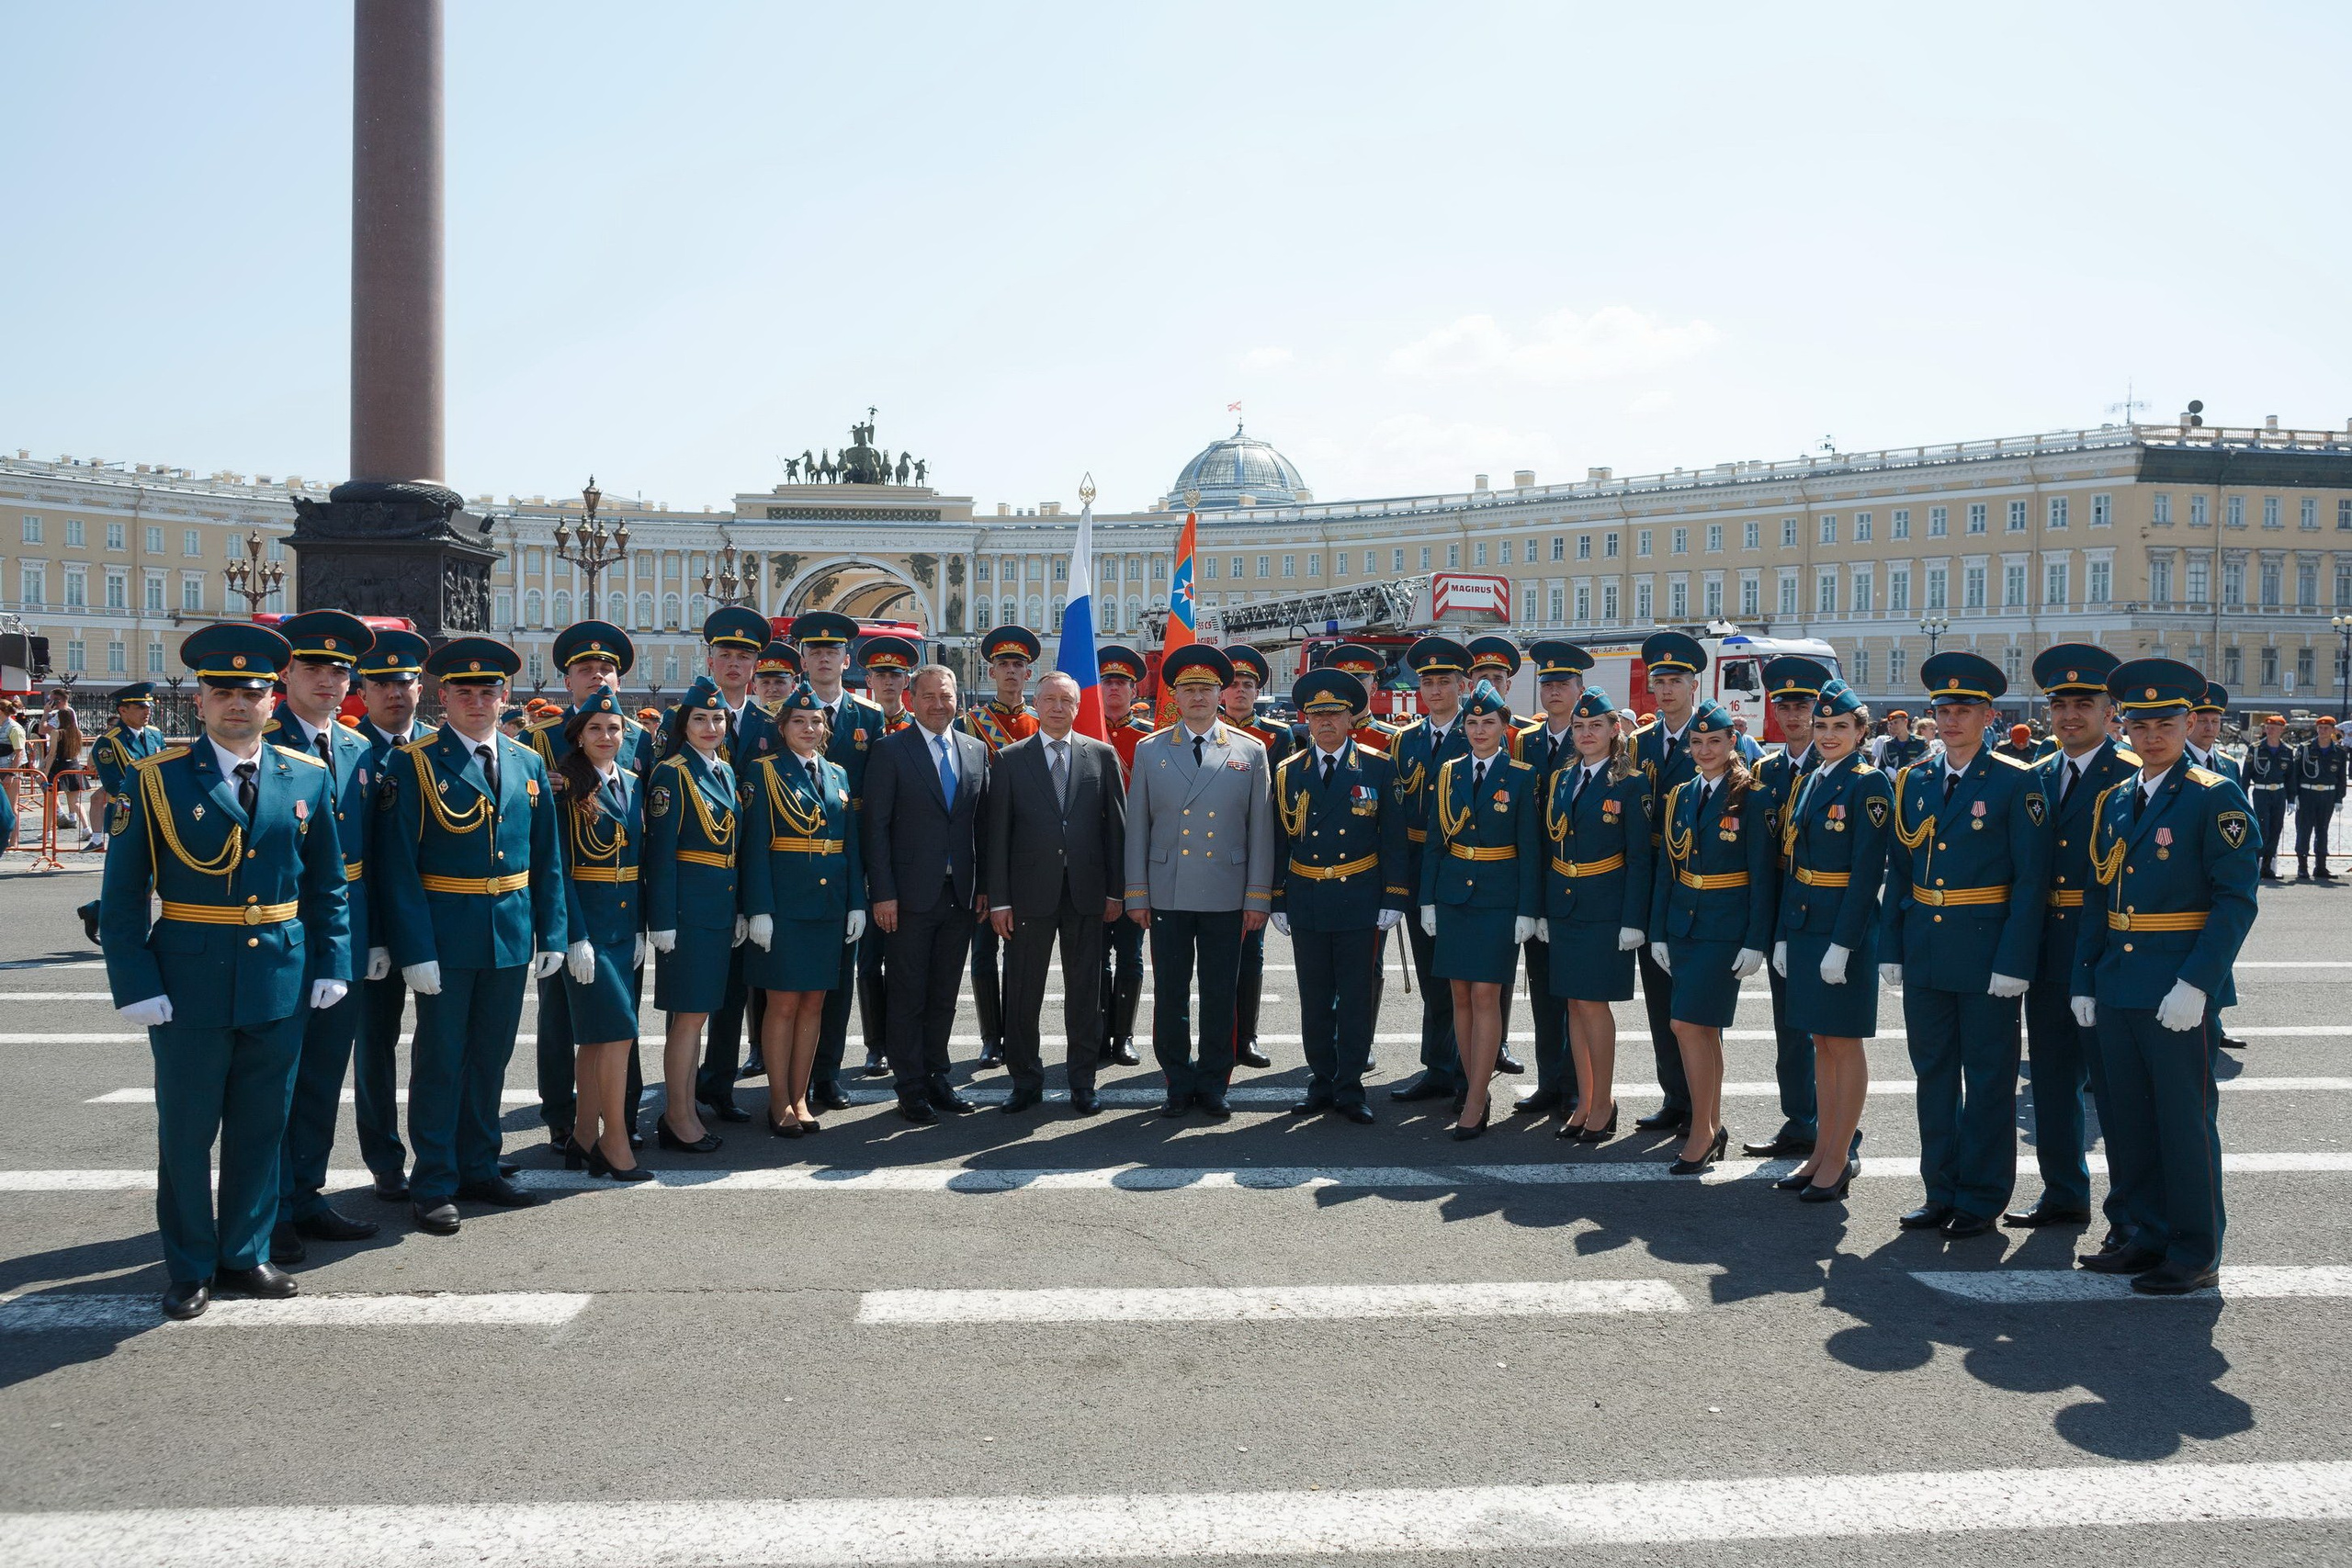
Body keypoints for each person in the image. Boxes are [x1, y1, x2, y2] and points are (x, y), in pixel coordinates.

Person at [97, 622, 350, 1320]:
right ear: (200, 701)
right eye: (223, 690)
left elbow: (327, 882)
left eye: (254, 690)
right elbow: (122, 899)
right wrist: (136, 983)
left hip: (280, 977)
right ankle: (188, 1263)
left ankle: (245, 1251)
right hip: (188, 983)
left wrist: (332, 961)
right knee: (186, 1131)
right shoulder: (157, 780)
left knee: (261, 1126)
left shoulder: (308, 775)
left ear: (273, 698)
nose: (239, 702)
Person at [2071, 658, 2260, 1294]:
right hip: (2119, 978)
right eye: (2140, 722)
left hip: (2175, 982)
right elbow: (2098, 897)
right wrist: (2083, 978)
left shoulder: (2213, 794)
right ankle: (2140, 1231)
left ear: (2189, 723)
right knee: (2125, 1118)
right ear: (2123, 725)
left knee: (2182, 1119)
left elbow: (2236, 898)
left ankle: (2195, 1247)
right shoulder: (2116, 799)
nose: (2152, 735)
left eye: (2167, 722)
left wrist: (2198, 983)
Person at [376, 637, 568, 1236]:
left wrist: (553, 930)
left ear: (505, 696)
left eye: (489, 691)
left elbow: (547, 859)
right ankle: (433, 1180)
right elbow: (397, 866)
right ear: (443, 695)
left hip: (508, 934)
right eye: (465, 691)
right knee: (440, 1061)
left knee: (490, 1057)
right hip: (446, 935)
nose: (478, 701)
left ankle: (479, 1163)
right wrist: (415, 949)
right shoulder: (415, 762)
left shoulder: (528, 762)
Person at [1881, 649, 2051, 1239]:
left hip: (1986, 954)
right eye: (1943, 709)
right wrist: (1892, 946)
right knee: (1932, 1074)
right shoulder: (1915, 778)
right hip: (1927, 946)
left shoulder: (2017, 781)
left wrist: (2014, 961)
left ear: (1989, 717)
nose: (1951, 720)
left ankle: (1981, 1196)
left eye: (1964, 710)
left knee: (1986, 1079)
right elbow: (1900, 870)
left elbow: (2032, 881)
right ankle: (1940, 1188)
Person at [257, 611, 383, 1265]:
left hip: (348, 932)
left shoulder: (360, 748)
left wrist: (378, 937)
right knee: (276, 1075)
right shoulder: (262, 736)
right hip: (280, 928)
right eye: (314, 667)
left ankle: (306, 1192)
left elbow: (377, 854)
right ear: (286, 674)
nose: (330, 679)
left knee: (324, 1074)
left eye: (339, 669)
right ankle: (270, 1207)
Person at [2013, 643, 2140, 1236]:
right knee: (2053, 1080)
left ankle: (2130, 1211)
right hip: (2045, 950)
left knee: (2113, 1091)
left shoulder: (2131, 777)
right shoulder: (2036, 774)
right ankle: (2064, 1191)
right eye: (2059, 705)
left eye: (2082, 704)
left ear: (2110, 711)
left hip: (2104, 952)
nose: (2068, 716)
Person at [1123, 644, 1275, 1121]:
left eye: (1207, 689)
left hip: (1227, 891)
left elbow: (1261, 831)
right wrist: (1136, 893)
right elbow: (1138, 829)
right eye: (1188, 689)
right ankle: (1176, 1080)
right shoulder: (1150, 749)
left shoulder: (1250, 751)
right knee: (1170, 991)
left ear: (1221, 694)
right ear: (1175, 695)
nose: (1199, 698)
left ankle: (1213, 1081)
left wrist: (1257, 897)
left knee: (1219, 992)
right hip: (1168, 888)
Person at [526, 621, 653, 1155]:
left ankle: (621, 1112)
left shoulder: (642, 740)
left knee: (623, 1013)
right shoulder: (539, 741)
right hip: (575, 904)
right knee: (561, 1016)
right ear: (567, 678)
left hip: (624, 905)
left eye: (606, 669)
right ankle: (563, 1116)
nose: (596, 674)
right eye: (585, 669)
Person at [1770, 679, 1892, 1201]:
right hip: (1804, 922)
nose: (1828, 734)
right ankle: (1821, 1148)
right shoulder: (1811, 780)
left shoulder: (1869, 783)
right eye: (1822, 726)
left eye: (1840, 726)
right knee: (1820, 1041)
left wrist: (1844, 943)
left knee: (1844, 1042)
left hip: (1844, 926)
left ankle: (1839, 1157)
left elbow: (1867, 872)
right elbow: (1792, 862)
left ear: (1861, 731)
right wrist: (1781, 934)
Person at [986, 670, 1125, 1114]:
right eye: (1049, 700)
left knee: (1085, 991)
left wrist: (1116, 892)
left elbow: (1116, 832)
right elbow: (998, 836)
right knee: (1023, 991)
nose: (1058, 708)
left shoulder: (1101, 755)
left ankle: (1083, 1080)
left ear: (1078, 706)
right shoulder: (1009, 758)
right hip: (1029, 895)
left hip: (1086, 892)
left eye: (1067, 700)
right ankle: (1025, 1080)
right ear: (1036, 703)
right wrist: (1000, 899)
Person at [1271, 668, 1408, 1123]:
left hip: (1359, 896)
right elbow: (1278, 840)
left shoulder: (1378, 766)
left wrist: (1394, 896)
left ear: (1352, 718)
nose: (1325, 722)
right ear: (1305, 720)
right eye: (1316, 715)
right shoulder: (1289, 772)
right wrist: (1277, 898)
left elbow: (1393, 838)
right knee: (1313, 996)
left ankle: (1350, 1086)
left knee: (1353, 996)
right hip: (1308, 894)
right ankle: (1321, 1081)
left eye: (1335, 714)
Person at [1648, 697, 1773, 1173]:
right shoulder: (1681, 795)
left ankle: (1702, 1130)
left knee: (1687, 1025)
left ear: (1732, 743)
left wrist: (1756, 938)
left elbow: (1763, 874)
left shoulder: (1753, 795)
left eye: (1713, 741)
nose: (1703, 750)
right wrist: (1660, 930)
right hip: (1684, 924)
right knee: (1701, 1030)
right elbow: (1668, 868)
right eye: (1696, 742)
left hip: (1725, 927)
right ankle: (1710, 1124)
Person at [865, 663, 991, 1122]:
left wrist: (986, 887)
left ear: (957, 698)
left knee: (943, 993)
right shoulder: (890, 751)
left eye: (947, 695)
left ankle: (939, 1076)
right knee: (907, 992)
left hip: (961, 894)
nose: (939, 704)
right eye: (930, 697)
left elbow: (984, 826)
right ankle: (910, 1085)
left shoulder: (975, 751)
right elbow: (875, 828)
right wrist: (882, 894)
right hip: (908, 897)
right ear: (913, 701)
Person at [1419, 681, 1541, 1139]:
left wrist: (1528, 909)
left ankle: (1474, 1099)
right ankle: (1474, 1088)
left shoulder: (1523, 775)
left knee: (1486, 995)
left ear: (1505, 728)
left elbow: (1530, 849)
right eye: (1472, 723)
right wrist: (1428, 898)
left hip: (1497, 898)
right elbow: (1435, 840)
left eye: (1488, 722)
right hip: (1453, 896)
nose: (1479, 730)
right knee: (1459, 997)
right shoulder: (1449, 772)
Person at [741, 682, 865, 1136]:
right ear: (783, 727)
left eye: (817, 721)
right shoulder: (762, 771)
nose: (809, 727)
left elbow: (849, 845)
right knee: (783, 1005)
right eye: (799, 721)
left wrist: (856, 903)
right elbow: (754, 845)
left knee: (814, 1002)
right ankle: (778, 1100)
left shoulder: (837, 775)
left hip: (829, 906)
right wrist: (758, 909)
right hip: (784, 907)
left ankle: (800, 1096)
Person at [786, 611, 889, 1112]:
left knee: (839, 975)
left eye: (833, 651)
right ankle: (783, 1073)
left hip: (849, 858)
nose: (825, 658)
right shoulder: (779, 714)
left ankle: (826, 1073)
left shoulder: (870, 718)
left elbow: (877, 795)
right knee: (785, 979)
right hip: (795, 862)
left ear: (847, 660)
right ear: (803, 661)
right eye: (815, 651)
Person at [1538, 684, 1652, 1144]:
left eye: (1595, 726)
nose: (1586, 733)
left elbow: (1641, 858)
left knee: (1595, 1006)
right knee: (1573, 1005)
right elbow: (1553, 843)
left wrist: (1633, 919)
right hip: (1566, 904)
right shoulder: (1563, 778)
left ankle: (1603, 1103)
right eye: (1580, 726)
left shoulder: (1631, 782)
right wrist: (1545, 908)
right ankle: (1585, 1100)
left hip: (1606, 906)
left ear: (1614, 730)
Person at [345, 628, 433, 1199]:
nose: (394, 692)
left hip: (436, 922)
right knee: (374, 1046)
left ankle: (439, 1150)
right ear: (364, 689)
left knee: (441, 1043)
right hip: (372, 924)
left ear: (420, 687)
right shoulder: (350, 751)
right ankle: (383, 1158)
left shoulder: (442, 746)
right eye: (382, 682)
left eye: (404, 681)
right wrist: (374, 935)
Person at [549, 690, 650, 1179]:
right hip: (586, 927)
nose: (606, 737)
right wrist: (573, 934)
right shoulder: (564, 786)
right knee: (618, 1034)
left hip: (621, 925)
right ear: (577, 736)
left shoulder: (630, 781)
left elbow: (639, 861)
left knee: (595, 1041)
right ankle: (614, 1143)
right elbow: (558, 868)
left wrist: (641, 928)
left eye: (614, 729)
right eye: (595, 729)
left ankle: (583, 1135)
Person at [680, 605, 775, 1125]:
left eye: (744, 656)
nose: (734, 664)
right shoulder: (686, 720)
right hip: (700, 877)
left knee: (736, 991)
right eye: (725, 655)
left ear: (755, 666)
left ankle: (719, 1083)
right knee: (695, 991)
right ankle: (681, 1090)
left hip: (749, 874)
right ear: (710, 660)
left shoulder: (767, 724)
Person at [643, 682, 741, 1154]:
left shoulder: (722, 771)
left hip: (716, 908)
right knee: (686, 1019)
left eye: (718, 719)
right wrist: (662, 918)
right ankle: (677, 1116)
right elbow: (660, 852)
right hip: (687, 912)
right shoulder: (672, 773)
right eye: (700, 719)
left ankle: (683, 1110)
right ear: (684, 725)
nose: (711, 727)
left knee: (696, 1017)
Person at [1746, 655, 1828, 1162]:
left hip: (1823, 905)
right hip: (1781, 906)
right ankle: (1799, 1120)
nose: (1794, 715)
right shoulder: (1765, 770)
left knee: (1829, 1029)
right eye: (1785, 705)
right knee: (1789, 1025)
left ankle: (1837, 1128)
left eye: (1804, 705)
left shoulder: (1839, 767)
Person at [1386, 636, 1474, 1107]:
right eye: (1428, 681)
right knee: (1432, 979)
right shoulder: (1406, 740)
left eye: (1444, 681)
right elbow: (1398, 818)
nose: (1436, 689)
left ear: (1462, 685)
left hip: (1466, 870)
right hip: (1422, 870)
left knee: (1466, 978)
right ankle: (1437, 1068)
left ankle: (1468, 1072)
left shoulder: (1479, 732)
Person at [1511, 640, 1593, 1119]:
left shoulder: (1596, 736)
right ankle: (1550, 1081)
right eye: (1548, 683)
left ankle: (1582, 1087)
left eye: (1564, 683)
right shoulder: (1526, 740)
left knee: (1579, 993)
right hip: (1539, 878)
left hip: (1580, 879)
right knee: (1543, 989)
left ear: (1581, 689)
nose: (1555, 691)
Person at [1631, 629, 1708, 1135]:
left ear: (1693, 684)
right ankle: (1674, 1097)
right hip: (1649, 880)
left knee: (1696, 1001)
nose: (1665, 690)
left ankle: (1703, 1105)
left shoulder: (1718, 737)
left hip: (1699, 883)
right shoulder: (1635, 744)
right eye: (1659, 681)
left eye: (1675, 680)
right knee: (1659, 995)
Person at [960, 626, 1041, 1069]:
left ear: (1030, 674)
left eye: (1019, 665)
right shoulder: (969, 724)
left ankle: (1016, 1032)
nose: (1011, 672)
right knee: (983, 951)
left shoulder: (1040, 723)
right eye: (1004, 665)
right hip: (983, 849)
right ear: (991, 671)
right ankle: (991, 1035)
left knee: (1022, 954)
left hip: (1028, 853)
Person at [1221, 645, 1292, 1072]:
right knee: (1210, 959)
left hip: (1254, 858)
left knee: (1252, 955)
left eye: (1249, 684)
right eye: (1234, 684)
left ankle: (1245, 1037)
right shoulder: (1208, 731)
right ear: (1222, 693)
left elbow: (1280, 806)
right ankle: (1216, 1037)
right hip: (1211, 854)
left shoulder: (1276, 736)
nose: (1241, 691)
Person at [854, 634, 922, 1076]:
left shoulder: (917, 728)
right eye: (880, 674)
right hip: (865, 858)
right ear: (870, 679)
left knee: (908, 959)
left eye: (896, 674)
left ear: (906, 680)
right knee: (869, 960)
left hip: (911, 863)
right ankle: (875, 1042)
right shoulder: (854, 727)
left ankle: (904, 1041)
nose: (888, 681)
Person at [1095, 644, 1156, 1070]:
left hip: (1136, 861)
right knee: (1094, 956)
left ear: (1135, 689)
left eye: (1121, 682)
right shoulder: (1083, 732)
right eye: (1107, 681)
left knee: (1131, 956)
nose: (1113, 687)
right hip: (1092, 861)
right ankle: (1097, 1033)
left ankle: (1124, 1036)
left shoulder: (1151, 738)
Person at [2242, 712, 2294, 881]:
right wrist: (2243, 799)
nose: (2270, 730)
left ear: (2282, 730)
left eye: (2274, 728)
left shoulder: (2287, 750)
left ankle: (2267, 867)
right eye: (2268, 727)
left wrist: (2292, 799)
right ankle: (2254, 866)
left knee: (2275, 830)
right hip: (2261, 792)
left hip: (2279, 793)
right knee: (2261, 830)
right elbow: (2246, 776)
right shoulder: (2256, 748)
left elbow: (2290, 778)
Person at [2297, 715, 2345, 881]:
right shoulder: (2306, 748)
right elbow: (2296, 774)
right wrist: (2294, 796)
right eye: (2320, 728)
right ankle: (2302, 867)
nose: (2322, 731)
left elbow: (2341, 779)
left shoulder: (2339, 751)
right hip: (2307, 794)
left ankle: (2321, 866)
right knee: (2304, 830)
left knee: (2322, 830)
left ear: (2333, 730)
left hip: (2327, 795)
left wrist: (2339, 798)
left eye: (2326, 728)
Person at [1876, 709, 1929, 775]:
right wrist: (1887, 770)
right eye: (1891, 723)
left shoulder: (1920, 742)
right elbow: (1881, 767)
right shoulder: (1887, 745)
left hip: (1915, 782)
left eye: (1896, 722)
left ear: (1905, 722)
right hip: (1895, 783)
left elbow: (1928, 764)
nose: (1893, 726)